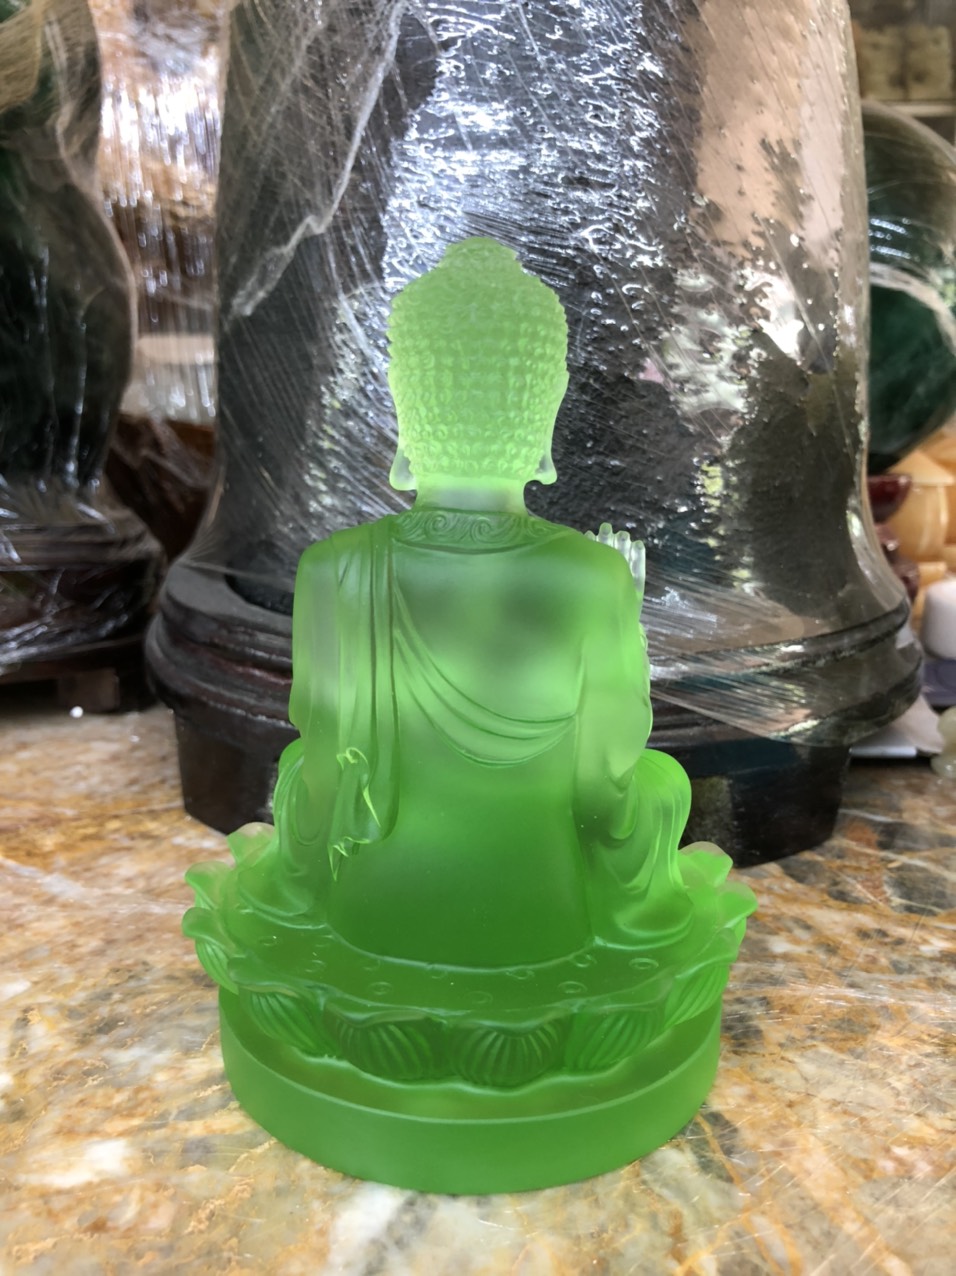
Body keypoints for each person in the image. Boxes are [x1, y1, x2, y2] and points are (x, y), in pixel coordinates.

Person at [237, 237, 693, 968]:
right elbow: (603, 791)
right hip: (542, 923)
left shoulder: (334, 570)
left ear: (406, 409)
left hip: (373, 918)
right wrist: (624, 618)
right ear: (543, 412)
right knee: (662, 783)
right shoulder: (592, 576)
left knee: (294, 769)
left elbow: (323, 778)